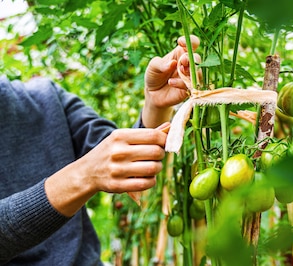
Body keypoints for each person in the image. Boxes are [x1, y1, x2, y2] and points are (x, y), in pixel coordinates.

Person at [0, 35, 200, 265]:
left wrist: (155, 103)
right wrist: (84, 175)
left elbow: (121, 164)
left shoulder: (45, 97)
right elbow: (97, 167)